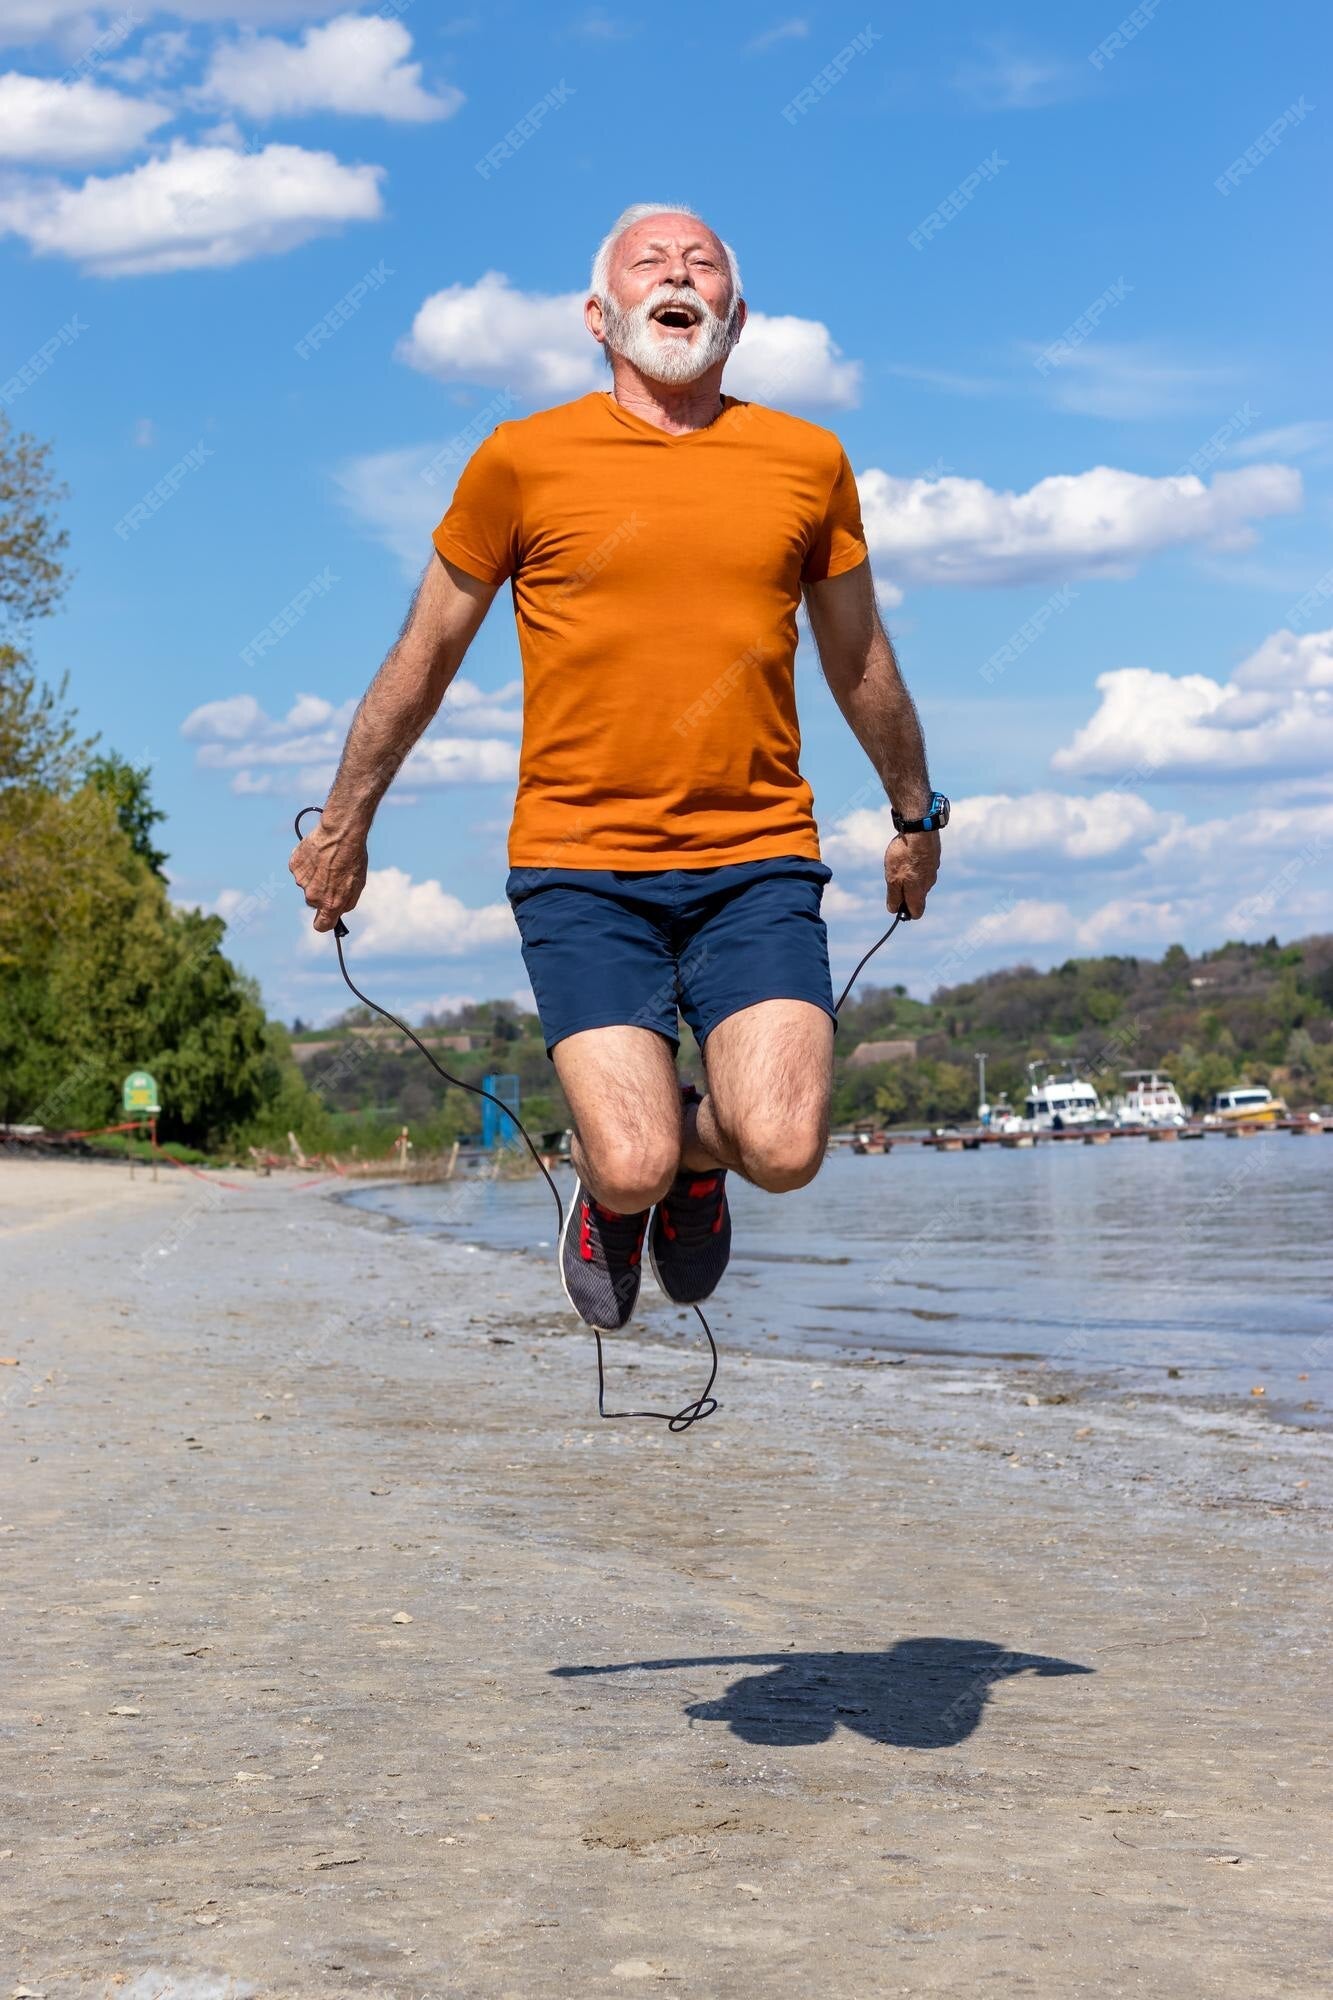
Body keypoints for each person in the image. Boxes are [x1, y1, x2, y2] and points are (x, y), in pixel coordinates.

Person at [290, 202, 945, 1334]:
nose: (678, 274)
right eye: (651, 261)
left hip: (757, 860)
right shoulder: (519, 459)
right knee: (628, 1162)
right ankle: (630, 1183)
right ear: (599, 316)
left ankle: (701, 1159)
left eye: (703, 265)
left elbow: (859, 656)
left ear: (735, 317)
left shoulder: (807, 460)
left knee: (783, 1147)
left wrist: (913, 814)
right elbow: (427, 650)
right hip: (579, 866)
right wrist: (345, 825)